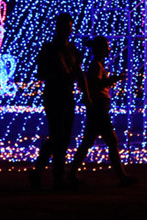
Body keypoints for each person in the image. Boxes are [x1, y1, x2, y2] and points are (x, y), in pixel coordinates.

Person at [30, 12, 90, 189]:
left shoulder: (72, 50)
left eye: (70, 27)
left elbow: (79, 74)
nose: (68, 30)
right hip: (53, 95)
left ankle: (40, 171)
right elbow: (41, 73)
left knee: (62, 137)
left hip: (67, 96)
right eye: (65, 27)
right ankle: (56, 177)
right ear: (58, 28)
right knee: (58, 135)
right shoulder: (49, 49)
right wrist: (57, 75)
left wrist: (86, 94)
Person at [68, 35, 135, 186]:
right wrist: (114, 79)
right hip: (99, 108)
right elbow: (96, 84)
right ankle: (121, 176)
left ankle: (72, 174)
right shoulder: (96, 66)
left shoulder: (97, 65)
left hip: (98, 108)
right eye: (106, 47)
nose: (109, 50)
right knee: (111, 141)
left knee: (89, 141)